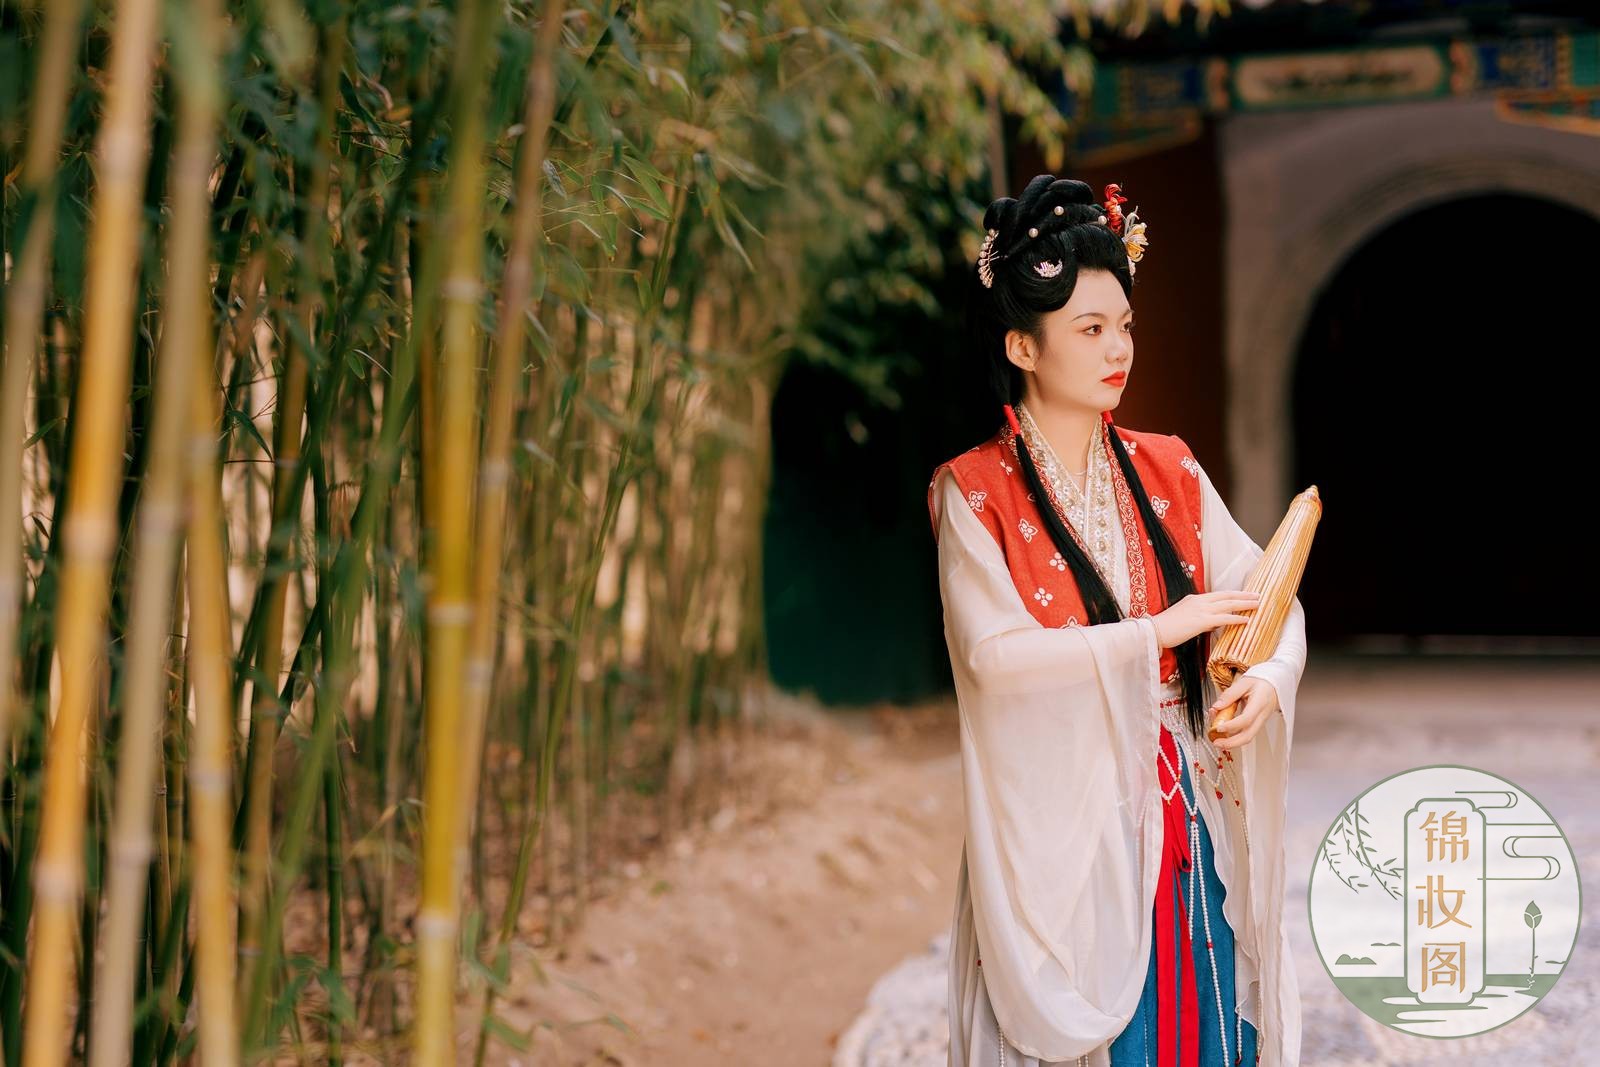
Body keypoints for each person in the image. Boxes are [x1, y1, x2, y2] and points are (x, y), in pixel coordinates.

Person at [928, 175, 1307, 1067]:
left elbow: (1268, 594)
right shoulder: (972, 493)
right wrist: (1156, 633)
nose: (1118, 349)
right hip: (1062, 824)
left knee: (1207, 1021)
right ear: (1022, 345)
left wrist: (1266, 675)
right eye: (1090, 329)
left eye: (1124, 325)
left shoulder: (1169, 467)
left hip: (1185, 808)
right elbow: (993, 658)